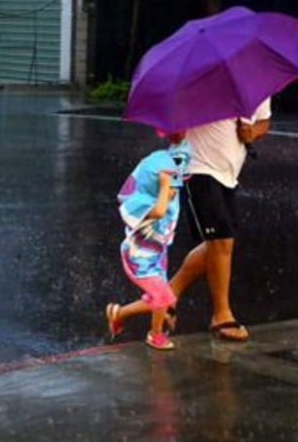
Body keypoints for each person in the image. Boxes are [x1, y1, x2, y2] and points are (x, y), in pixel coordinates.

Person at [167, 97, 271, 343]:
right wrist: (177, 131)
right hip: (198, 168)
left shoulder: (254, 84)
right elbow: (174, 134)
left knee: (221, 243)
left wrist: (253, 132)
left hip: (229, 173)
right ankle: (222, 316)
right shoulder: (198, 84)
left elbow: (264, 120)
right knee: (222, 241)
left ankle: (168, 294)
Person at [105, 131, 192, 350]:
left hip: (157, 250)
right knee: (162, 296)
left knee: (164, 297)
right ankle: (155, 335)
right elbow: (160, 211)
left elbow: (181, 158)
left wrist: (172, 179)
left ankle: (120, 314)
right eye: (172, 181)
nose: (175, 187)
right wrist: (165, 186)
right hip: (139, 255)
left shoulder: (169, 175)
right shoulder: (142, 202)